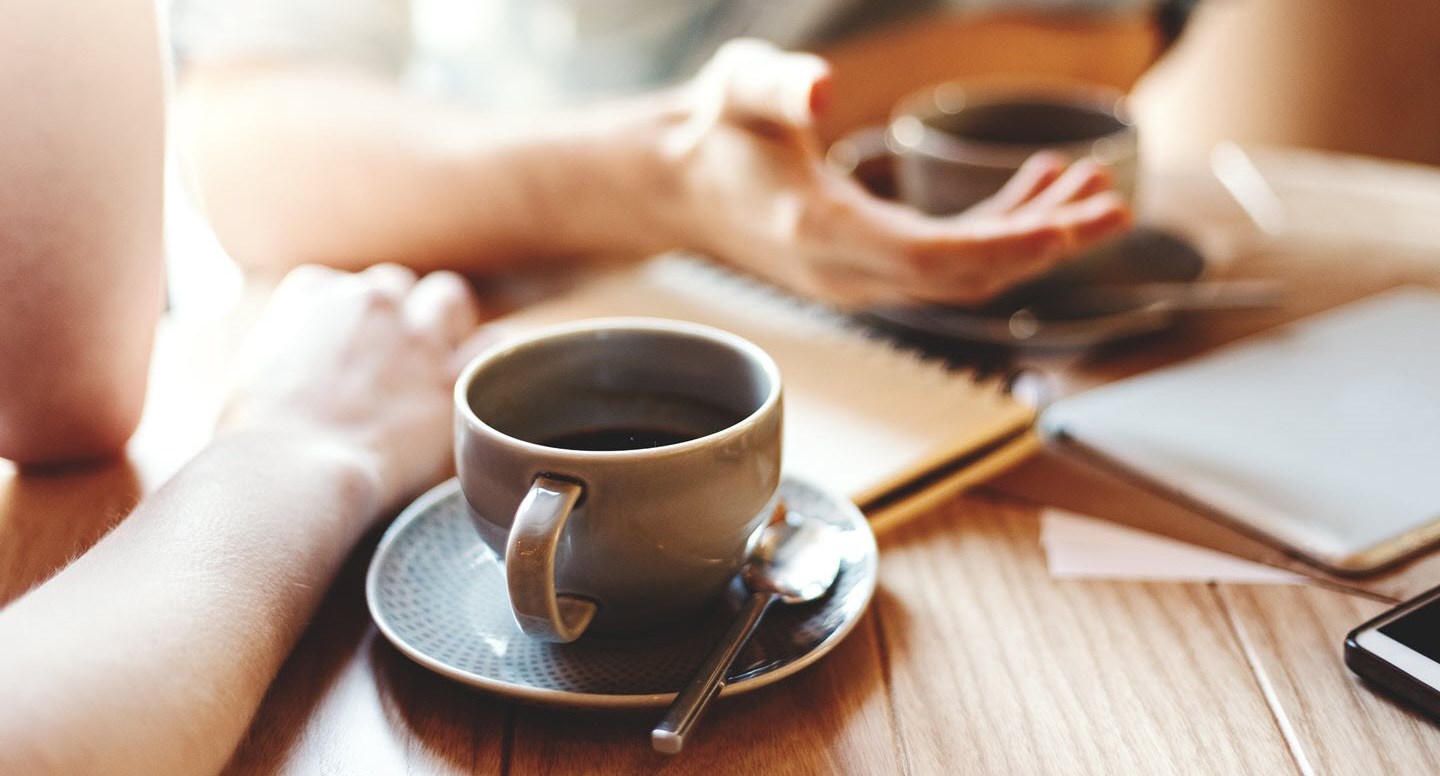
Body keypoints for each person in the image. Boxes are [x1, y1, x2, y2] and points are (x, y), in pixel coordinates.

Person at [172, 2, 1132, 308]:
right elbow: (249, 143)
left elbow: (1097, 38)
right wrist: (659, 172)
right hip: (493, 287)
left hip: (952, 322)